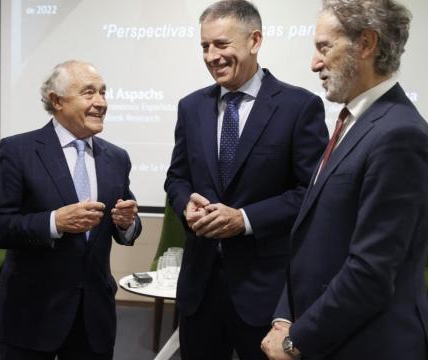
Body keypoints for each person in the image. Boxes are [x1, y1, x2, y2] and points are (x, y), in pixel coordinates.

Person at [261, 1, 428, 359]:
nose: (314, 63)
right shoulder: (352, 123)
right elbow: (311, 238)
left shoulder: (400, 134)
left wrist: (296, 340)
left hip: (367, 344)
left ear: (366, 44)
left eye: (325, 47)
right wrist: (284, 318)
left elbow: (370, 272)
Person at [164, 1, 328, 359]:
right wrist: (185, 203)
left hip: (267, 291)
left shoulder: (299, 107)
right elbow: (176, 178)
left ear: (254, 40)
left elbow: (312, 194)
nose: (211, 56)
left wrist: (244, 220)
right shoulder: (190, 107)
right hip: (199, 288)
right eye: (204, 46)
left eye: (221, 44)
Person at [0, 60, 142, 360]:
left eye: (104, 93)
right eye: (89, 92)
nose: (101, 103)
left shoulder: (117, 158)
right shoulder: (18, 151)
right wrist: (54, 222)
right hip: (30, 316)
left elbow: (126, 224)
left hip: (94, 319)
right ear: (57, 100)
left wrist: (127, 223)